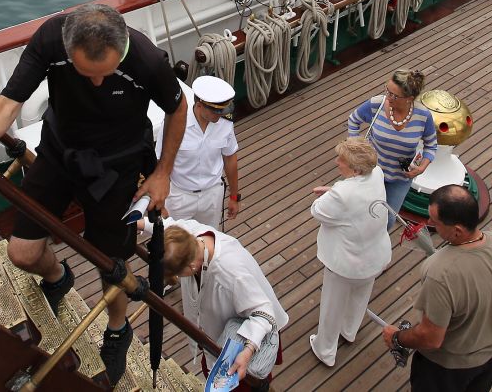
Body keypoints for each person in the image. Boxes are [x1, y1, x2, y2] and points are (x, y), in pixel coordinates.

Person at [0, 3, 187, 386]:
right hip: (59, 153)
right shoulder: (51, 40)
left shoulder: (147, 60)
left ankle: (117, 330)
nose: (98, 83)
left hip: (116, 168)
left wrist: (162, 173)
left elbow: (177, 107)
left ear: (121, 52)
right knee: (21, 253)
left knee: (111, 263)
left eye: (106, 74)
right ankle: (57, 276)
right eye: (88, 75)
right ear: (69, 54)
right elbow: (7, 103)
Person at [382, 185, 492, 392]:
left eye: (434, 221)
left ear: (457, 230)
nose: (428, 224)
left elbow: (431, 338)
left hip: (446, 370)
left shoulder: (439, 272)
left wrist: (397, 337)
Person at [156, 216, 287, 390]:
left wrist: (247, 353)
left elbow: (263, 313)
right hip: (220, 333)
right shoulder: (190, 238)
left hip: (250, 338)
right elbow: (169, 225)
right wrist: (139, 222)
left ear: (190, 267)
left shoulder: (230, 274)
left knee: (251, 386)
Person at [308, 137, 391, 367]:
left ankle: (325, 350)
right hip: (374, 255)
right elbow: (355, 194)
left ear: (354, 169)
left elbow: (318, 210)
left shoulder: (341, 194)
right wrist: (335, 189)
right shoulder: (377, 174)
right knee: (360, 296)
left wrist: (330, 193)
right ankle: (349, 331)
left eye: (341, 160)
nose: (337, 162)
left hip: (346, 263)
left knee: (332, 307)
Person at [347, 68, 439, 230]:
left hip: (400, 178)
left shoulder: (423, 116)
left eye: (394, 95)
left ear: (409, 98)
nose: (388, 97)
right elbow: (354, 120)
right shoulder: (377, 104)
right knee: (359, 211)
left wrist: (422, 167)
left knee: (388, 219)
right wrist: (355, 147)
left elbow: (431, 145)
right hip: (370, 171)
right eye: (387, 90)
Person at [160, 74, 240, 229]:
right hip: (179, 197)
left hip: (212, 196)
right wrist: (160, 202)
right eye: (216, 111)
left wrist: (234, 196)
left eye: (223, 109)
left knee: (209, 240)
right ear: (199, 106)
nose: (221, 114)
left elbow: (230, 159)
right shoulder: (174, 124)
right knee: (176, 245)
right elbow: (160, 162)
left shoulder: (225, 123)